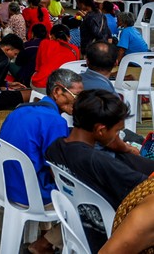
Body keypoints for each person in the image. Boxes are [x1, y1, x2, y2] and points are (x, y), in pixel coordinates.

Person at [47, 90, 154, 252]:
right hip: (115, 229)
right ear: (100, 130)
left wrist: (119, 145)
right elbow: (146, 190)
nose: (118, 136)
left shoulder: (56, 147)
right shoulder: (98, 162)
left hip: (81, 220)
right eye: (117, 131)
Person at [0, 69, 82, 254]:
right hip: (29, 194)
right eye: (77, 95)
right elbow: (57, 171)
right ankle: (46, 243)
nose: (79, 102)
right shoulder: (54, 122)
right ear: (58, 91)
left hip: (3, 184)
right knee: (86, 202)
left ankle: (44, 234)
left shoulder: (21, 109)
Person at [31, 24, 80, 91]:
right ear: (69, 38)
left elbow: (37, 68)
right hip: (61, 90)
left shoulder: (44, 43)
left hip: (40, 85)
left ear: (51, 36)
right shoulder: (75, 49)